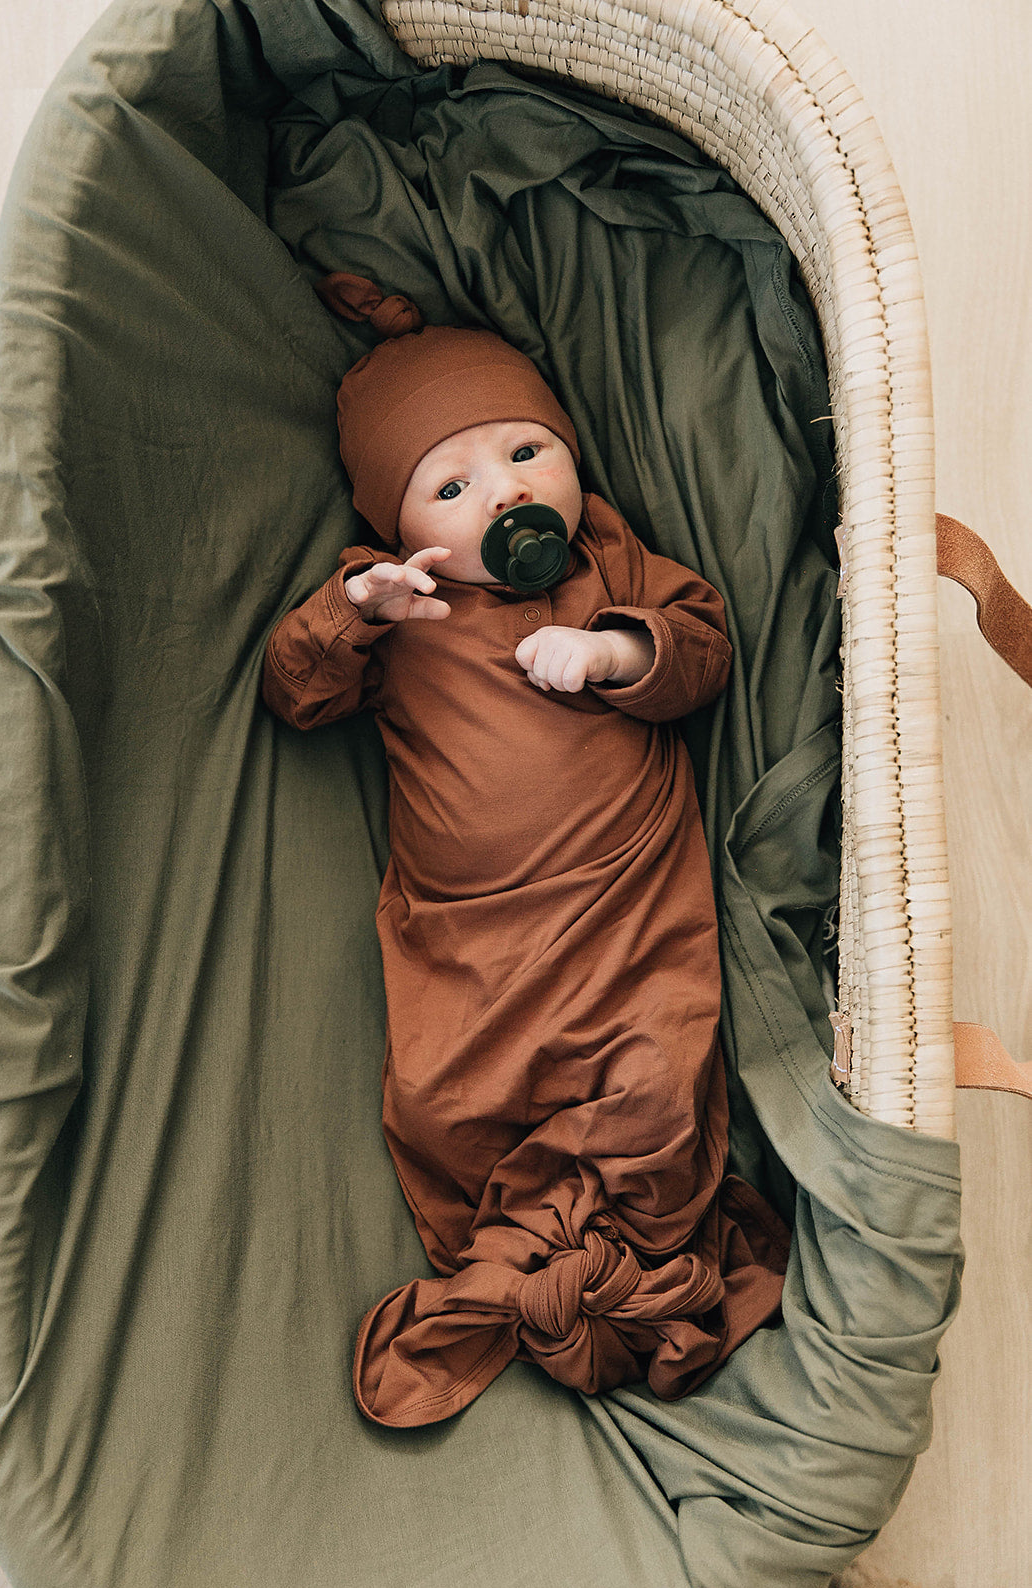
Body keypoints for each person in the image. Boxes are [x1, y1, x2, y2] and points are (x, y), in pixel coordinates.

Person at [262, 274, 789, 1429]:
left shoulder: (603, 559)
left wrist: (612, 655)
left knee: (653, 1084)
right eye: (449, 486)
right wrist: (355, 611)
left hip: (625, 904)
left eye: (525, 451)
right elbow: (293, 694)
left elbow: (699, 648)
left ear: (570, 457)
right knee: (444, 1103)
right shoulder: (394, 604)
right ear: (400, 530)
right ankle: (522, 1256)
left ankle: (632, 1246)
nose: (504, 490)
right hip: (473, 936)